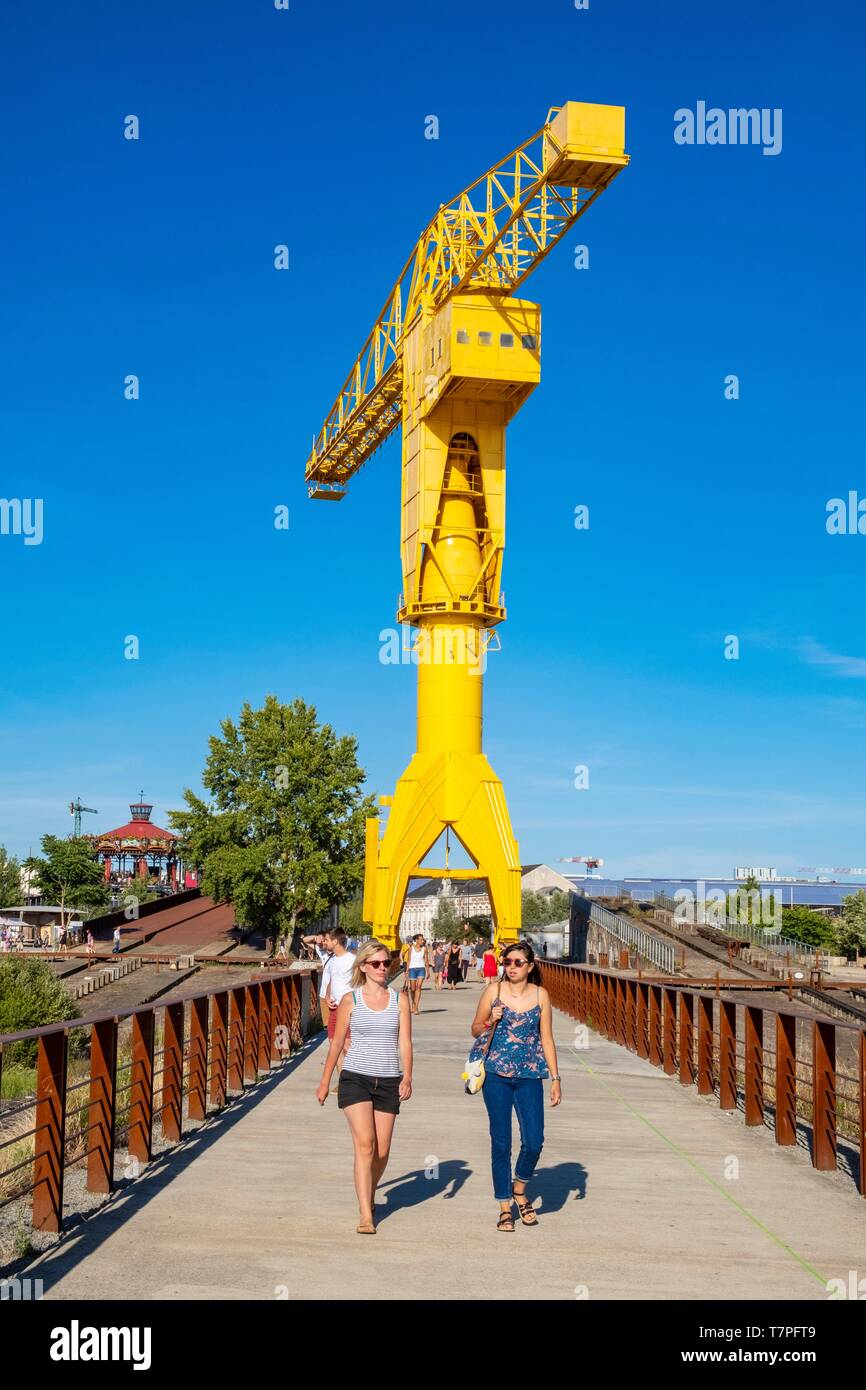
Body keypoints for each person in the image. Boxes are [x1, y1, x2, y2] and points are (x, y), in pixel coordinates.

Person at [316, 939, 413, 1234]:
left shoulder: (400, 1000)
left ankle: (369, 1191)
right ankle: (365, 1214)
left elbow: (405, 1042)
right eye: (376, 964)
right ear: (364, 967)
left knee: (382, 1151)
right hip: (355, 1077)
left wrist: (407, 1076)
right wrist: (325, 1082)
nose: (383, 968)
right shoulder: (351, 1000)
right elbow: (336, 1043)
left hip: (388, 1078)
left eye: (386, 963)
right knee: (365, 1144)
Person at [469, 940, 561, 1232]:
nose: (512, 967)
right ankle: (505, 1206)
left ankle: (519, 1188)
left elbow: (547, 1037)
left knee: (534, 1141)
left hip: (530, 1076)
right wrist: (489, 1021)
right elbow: (474, 1028)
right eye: (507, 962)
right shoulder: (493, 992)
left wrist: (556, 1078)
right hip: (495, 1074)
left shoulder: (541, 996)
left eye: (518, 962)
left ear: (530, 966)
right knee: (501, 1142)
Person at [303, 928, 356, 1082]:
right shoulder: (332, 961)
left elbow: (361, 983)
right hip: (334, 1009)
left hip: (349, 1010)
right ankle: (343, 1082)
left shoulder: (352, 961)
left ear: (335, 941)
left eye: (326, 940)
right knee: (335, 1046)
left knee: (348, 1047)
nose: (323, 943)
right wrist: (327, 995)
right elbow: (331, 980)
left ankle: (355, 1081)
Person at [405, 934, 429, 1014]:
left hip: (421, 969)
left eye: (423, 939)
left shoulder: (424, 949)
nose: (423, 941)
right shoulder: (411, 948)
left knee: (418, 988)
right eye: (421, 939)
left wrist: (428, 971)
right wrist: (407, 971)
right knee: (412, 989)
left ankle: (416, 1007)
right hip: (412, 969)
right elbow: (409, 960)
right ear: (417, 940)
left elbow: (426, 960)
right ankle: (413, 1003)